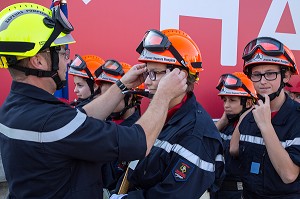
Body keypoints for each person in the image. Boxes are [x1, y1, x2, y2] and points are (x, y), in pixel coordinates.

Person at [0, 3, 187, 198]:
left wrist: (121, 86)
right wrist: (164, 95)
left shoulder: (14, 108)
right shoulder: (52, 122)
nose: (67, 60)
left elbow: (78, 119)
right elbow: (139, 143)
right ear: (38, 61)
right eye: (63, 52)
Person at [112, 28, 224, 199]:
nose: (147, 81)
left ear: (181, 76)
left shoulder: (196, 133)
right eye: (147, 73)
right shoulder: (160, 115)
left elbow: (174, 195)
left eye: (155, 73)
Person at [230, 36, 300, 198]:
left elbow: (289, 175)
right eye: (256, 75)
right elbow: (234, 150)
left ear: (286, 76)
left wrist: (266, 126)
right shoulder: (248, 117)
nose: (262, 81)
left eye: (270, 74)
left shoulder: (296, 119)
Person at [97, 60, 145, 196]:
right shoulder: (100, 125)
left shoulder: (138, 132)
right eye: (103, 95)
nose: (106, 100)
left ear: (130, 98)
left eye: (112, 95)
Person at [213, 72, 257, 199]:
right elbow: (205, 144)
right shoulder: (226, 124)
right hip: (218, 190)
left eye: (232, 100)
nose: (226, 105)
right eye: (224, 100)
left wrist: (244, 117)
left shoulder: (254, 126)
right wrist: (221, 122)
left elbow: (234, 149)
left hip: (238, 193)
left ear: (248, 103)